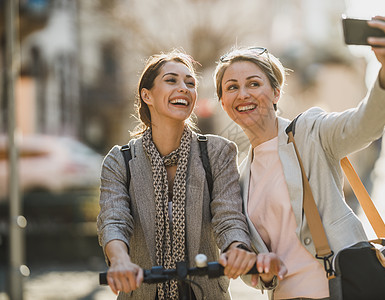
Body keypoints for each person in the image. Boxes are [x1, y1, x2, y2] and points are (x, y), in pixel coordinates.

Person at [214, 16, 385, 300]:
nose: (243, 93)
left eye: (254, 84)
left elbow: (363, 125)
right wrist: (260, 270)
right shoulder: (242, 176)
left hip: (341, 290)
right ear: (223, 102)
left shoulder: (309, 131)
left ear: (276, 92)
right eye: (231, 87)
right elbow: (257, 266)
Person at [97, 49, 285, 300]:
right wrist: (120, 261)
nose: (184, 88)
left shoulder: (217, 152)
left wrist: (237, 249)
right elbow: (113, 219)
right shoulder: (120, 161)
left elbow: (228, 216)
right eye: (171, 80)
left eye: (190, 83)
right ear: (147, 95)